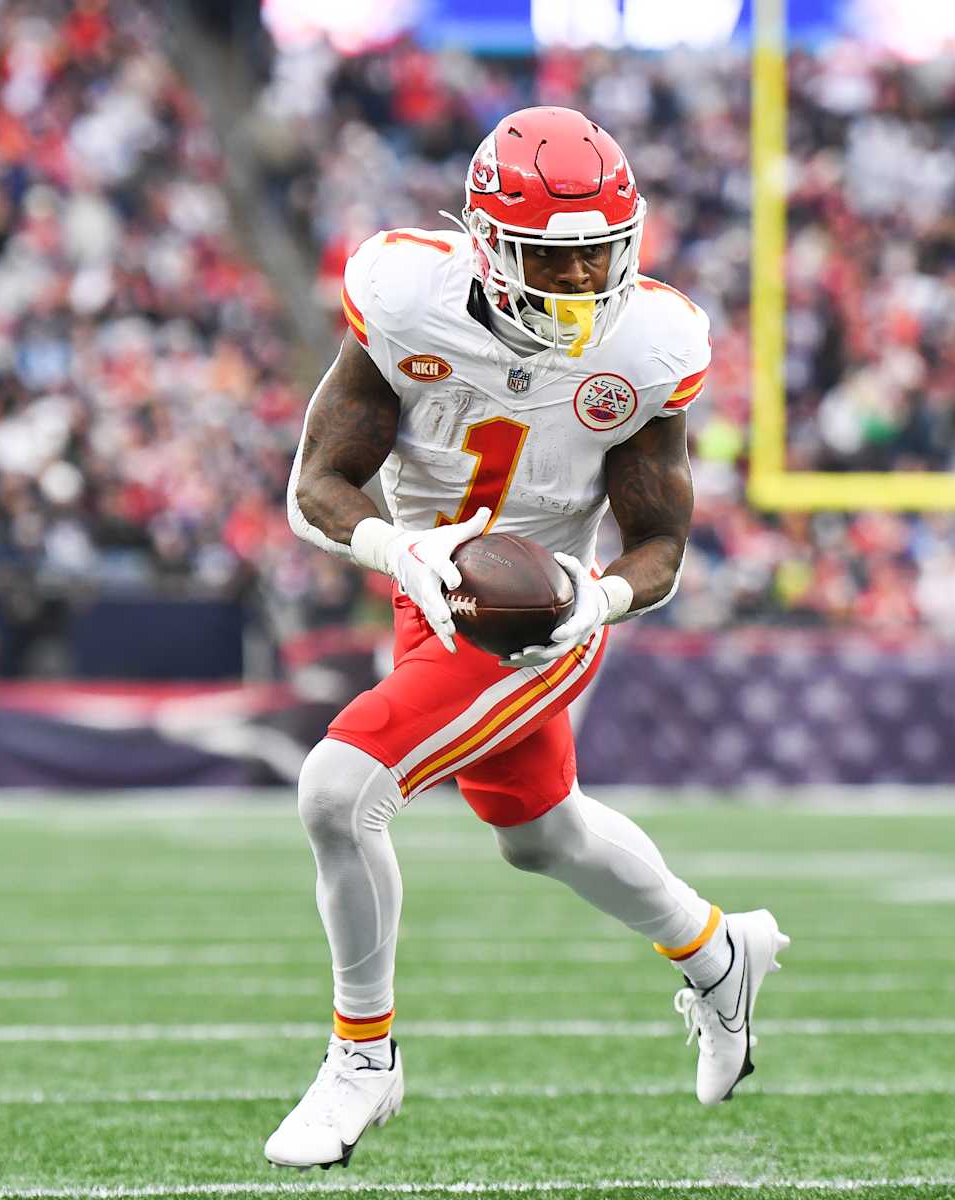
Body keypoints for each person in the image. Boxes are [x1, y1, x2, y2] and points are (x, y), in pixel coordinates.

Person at [270, 106, 788, 1170]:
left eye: (603, 251)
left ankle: (363, 1059)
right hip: (431, 589)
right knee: (541, 835)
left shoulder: (646, 347)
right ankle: (717, 953)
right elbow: (316, 484)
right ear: (487, 245)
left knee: (337, 791)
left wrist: (595, 601)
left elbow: (659, 544)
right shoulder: (406, 301)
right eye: (554, 256)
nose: (585, 278)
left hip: (539, 618)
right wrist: (398, 550)